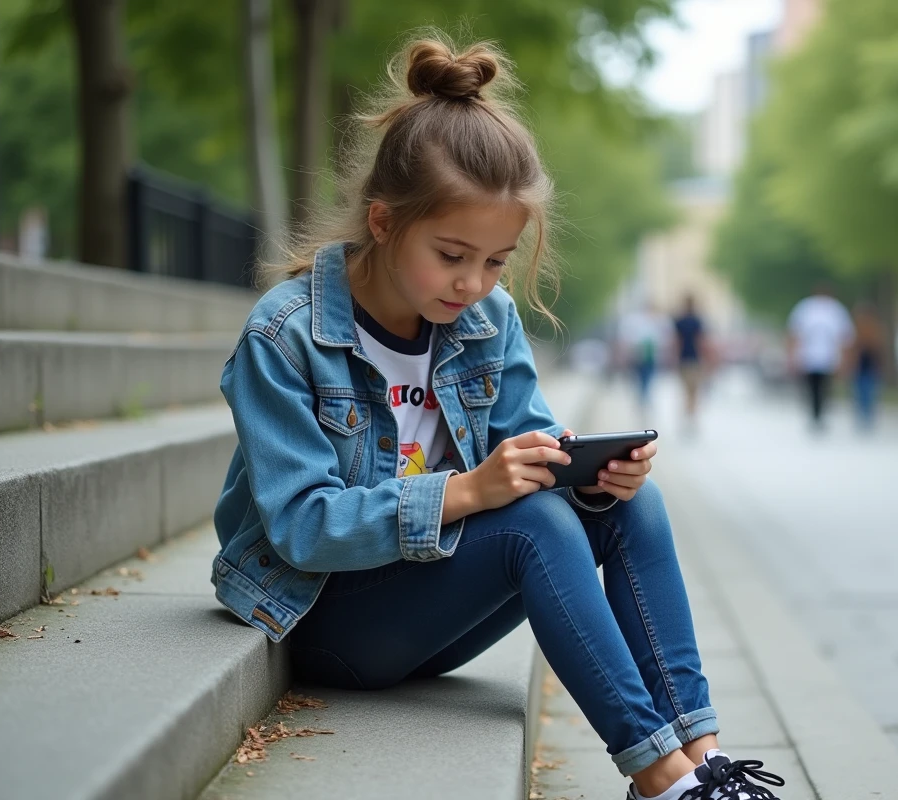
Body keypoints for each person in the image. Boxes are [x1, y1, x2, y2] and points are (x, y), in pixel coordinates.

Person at [209, 36, 785, 800]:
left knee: (626, 507)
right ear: (382, 223)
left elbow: (529, 449)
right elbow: (302, 526)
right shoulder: (284, 335)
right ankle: (659, 781)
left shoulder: (486, 320)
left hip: (430, 600)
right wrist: (467, 493)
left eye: (494, 261)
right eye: (452, 255)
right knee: (531, 526)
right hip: (326, 618)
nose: (474, 283)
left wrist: (592, 478)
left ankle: (702, 761)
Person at [786, 285, 854, 429]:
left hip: (827, 357)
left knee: (823, 388)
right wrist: (793, 355)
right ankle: (815, 414)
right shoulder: (807, 308)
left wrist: (844, 359)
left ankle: (819, 413)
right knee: (813, 388)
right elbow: (795, 334)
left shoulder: (834, 310)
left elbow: (844, 337)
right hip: (810, 357)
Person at [619, 302, 672, 416]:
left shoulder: (659, 320)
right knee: (641, 377)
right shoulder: (637, 320)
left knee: (648, 377)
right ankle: (643, 397)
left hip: (652, 356)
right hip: (639, 355)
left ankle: (644, 397)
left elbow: (665, 339)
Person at [673, 294, 710, 435]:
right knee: (694, 391)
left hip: (684, 359)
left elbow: (677, 342)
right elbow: (701, 341)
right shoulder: (697, 321)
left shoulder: (679, 322)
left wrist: (675, 358)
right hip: (694, 359)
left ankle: (687, 417)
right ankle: (691, 418)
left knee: (685, 391)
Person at [851, 302, 885, 429]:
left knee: (866, 390)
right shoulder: (863, 327)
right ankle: (864, 414)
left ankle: (865, 414)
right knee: (863, 390)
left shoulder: (869, 328)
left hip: (867, 362)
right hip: (862, 363)